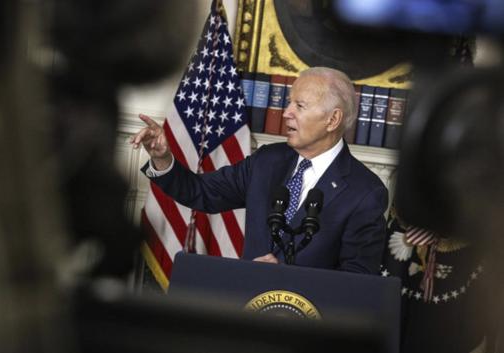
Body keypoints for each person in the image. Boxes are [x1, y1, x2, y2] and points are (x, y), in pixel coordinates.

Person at [131, 67, 388, 274]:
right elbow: (202, 193)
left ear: (333, 119)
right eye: (289, 103)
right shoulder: (267, 160)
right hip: (249, 311)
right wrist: (163, 159)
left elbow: (357, 281)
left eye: (299, 106)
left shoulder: (366, 191)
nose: (286, 113)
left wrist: (290, 277)